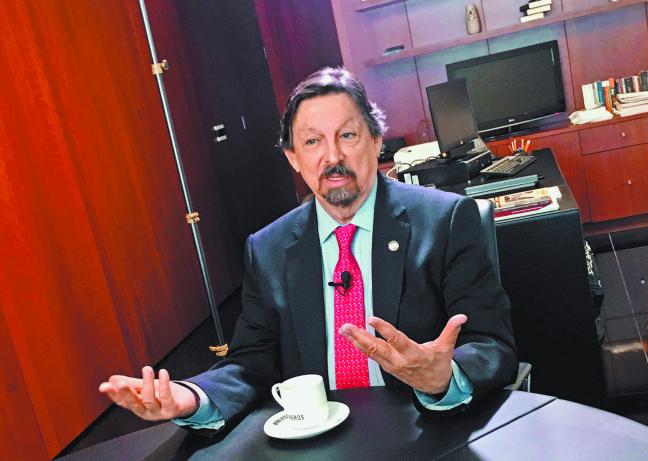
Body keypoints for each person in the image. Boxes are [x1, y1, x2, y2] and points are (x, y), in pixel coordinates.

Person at [99, 67, 517, 431]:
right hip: (318, 438)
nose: (332, 156)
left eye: (348, 135)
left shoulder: (446, 222)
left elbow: (492, 345)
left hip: (426, 425)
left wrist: (443, 377)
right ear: (293, 158)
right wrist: (191, 398)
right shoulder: (268, 249)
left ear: (375, 141)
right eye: (312, 142)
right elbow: (251, 360)